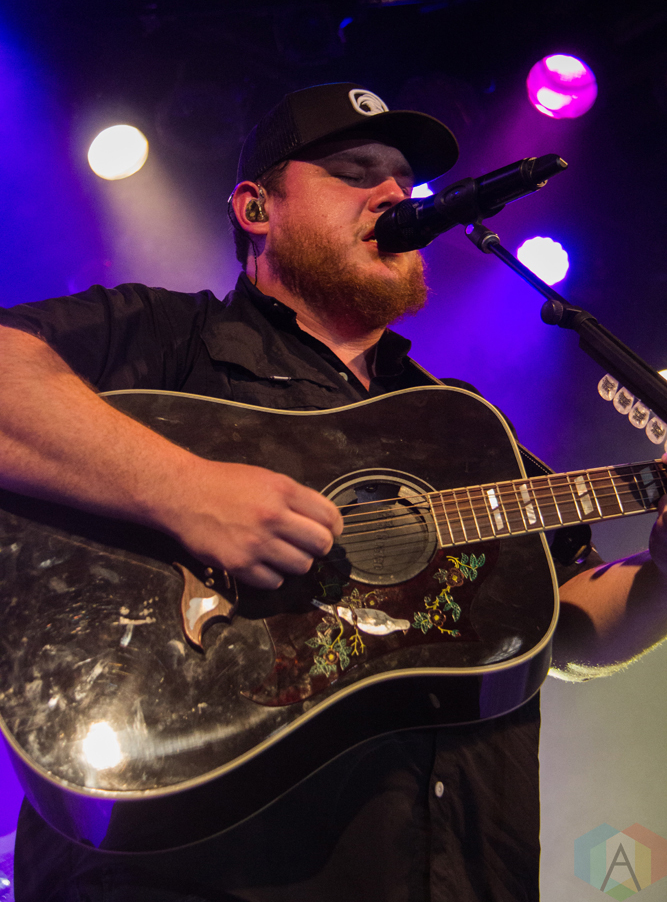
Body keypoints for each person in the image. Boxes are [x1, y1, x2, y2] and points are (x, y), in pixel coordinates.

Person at [1, 82, 666, 902]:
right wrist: (184, 488)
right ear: (255, 208)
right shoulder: (164, 337)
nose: (393, 194)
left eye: (403, 181)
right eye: (354, 173)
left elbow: (568, 616)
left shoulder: (458, 422)